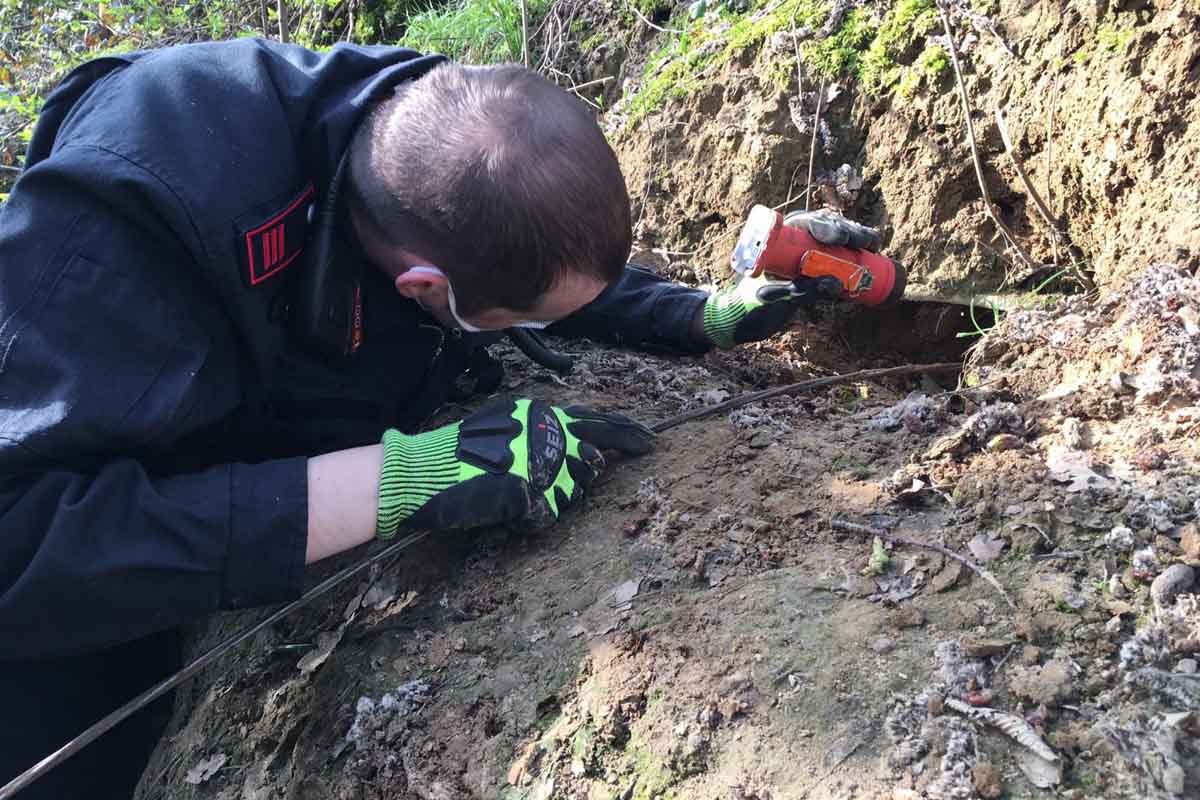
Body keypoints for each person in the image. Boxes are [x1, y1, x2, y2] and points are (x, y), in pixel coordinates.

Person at [0, 38, 864, 797]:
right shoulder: (119, 223)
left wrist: (695, 314)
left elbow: (522, 264)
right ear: (425, 290)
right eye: (513, 320)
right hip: (71, 573)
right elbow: (21, 544)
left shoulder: (426, 130)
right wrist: (403, 478)